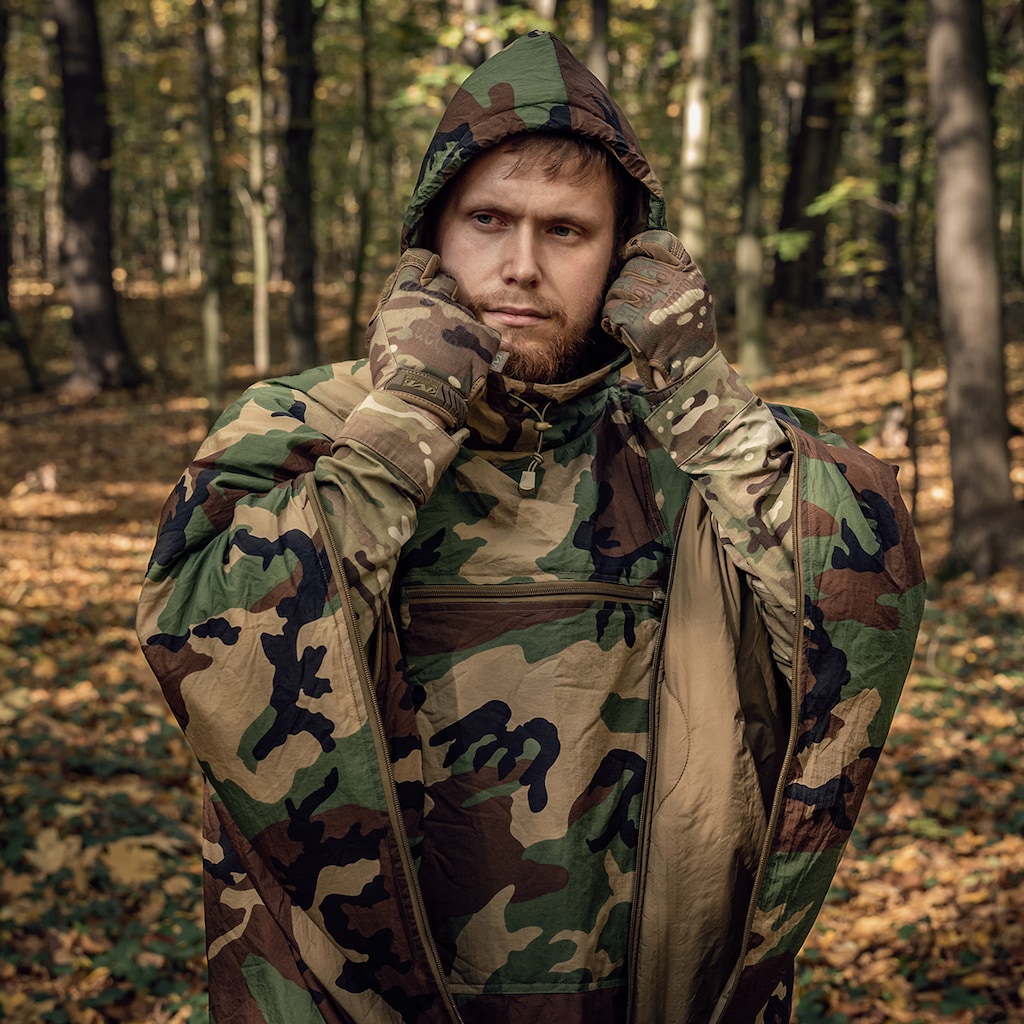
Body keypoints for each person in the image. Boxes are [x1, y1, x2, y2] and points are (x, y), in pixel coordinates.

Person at [137, 31, 925, 1024]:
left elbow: (864, 611)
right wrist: (406, 420)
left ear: (626, 253)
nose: (520, 266)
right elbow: (203, 647)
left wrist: (705, 402)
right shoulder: (300, 426)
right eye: (488, 220)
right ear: (433, 235)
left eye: (565, 230)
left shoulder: (705, 450)